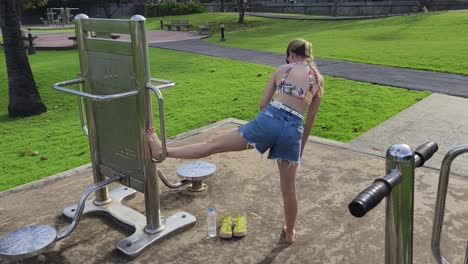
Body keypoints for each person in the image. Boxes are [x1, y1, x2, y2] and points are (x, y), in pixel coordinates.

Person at [147, 38, 324, 244]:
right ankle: (291, 232)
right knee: (288, 189)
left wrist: (263, 131)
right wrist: (299, 149)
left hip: (270, 119)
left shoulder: (283, 69)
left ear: (291, 54)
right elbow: (310, 119)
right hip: (293, 129)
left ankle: (163, 151)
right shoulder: (318, 80)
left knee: (213, 145)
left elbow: (263, 103)